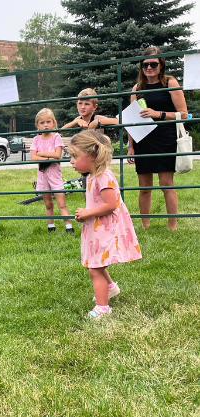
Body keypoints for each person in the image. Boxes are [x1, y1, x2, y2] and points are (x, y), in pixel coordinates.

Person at [69, 130, 142, 319]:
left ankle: (103, 307)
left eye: (75, 156)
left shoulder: (103, 177)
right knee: (96, 263)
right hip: (97, 227)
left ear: (92, 156)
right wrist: (86, 215)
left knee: (95, 268)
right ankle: (110, 288)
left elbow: (111, 205)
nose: (71, 161)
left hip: (105, 229)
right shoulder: (92, 176)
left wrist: (87, 213)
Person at [127, 46, 188, 230]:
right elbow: (131, 119)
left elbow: (184, 114)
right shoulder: (137, 88)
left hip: (165, 138)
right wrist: (131, 147)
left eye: (153, 64)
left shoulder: (170, 82)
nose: (149, 68)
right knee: (144, 186)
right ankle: (145, 225)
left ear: (161, 65)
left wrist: (158, 113)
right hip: (143, 139)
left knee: (166, 184)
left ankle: (172, 226)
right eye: (145, 65)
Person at [30, 108, 74, 233]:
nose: (45, 125)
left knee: (61, 203)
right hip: (42, 175)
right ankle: (51, 226)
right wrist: (49, 157)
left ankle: (69, 227)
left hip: (55, 175)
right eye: (42, 123)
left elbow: (57, 155)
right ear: (37, 125)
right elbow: (33, 157)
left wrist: (43, 154)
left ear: (53, 122)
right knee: (48, 203)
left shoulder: (56, 137)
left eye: (48, 122)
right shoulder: (36, 140)